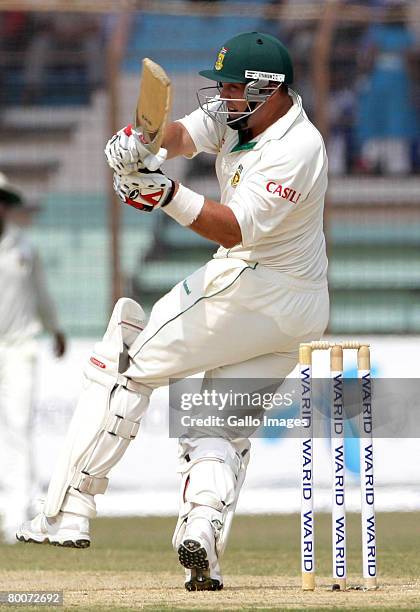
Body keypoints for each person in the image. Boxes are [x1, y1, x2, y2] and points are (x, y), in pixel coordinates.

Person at [17, 32, 329, 590]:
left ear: (269, 89)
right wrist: (144, 143)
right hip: (299, 311)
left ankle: (67, 510)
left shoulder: (297, 149)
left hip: (255, 286)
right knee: (214, 420)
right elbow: (184, 133)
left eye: (234, 87)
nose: (224, 97)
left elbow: (233, 228)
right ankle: (203, 536)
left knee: (125, 355)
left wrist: (163, 194)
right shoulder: (242, 118)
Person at [0, 173, 66, 544]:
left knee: (17, 425)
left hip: (19, 348)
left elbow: (41, 293)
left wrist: (55, 329)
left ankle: (16, 515)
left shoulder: (24, 247)